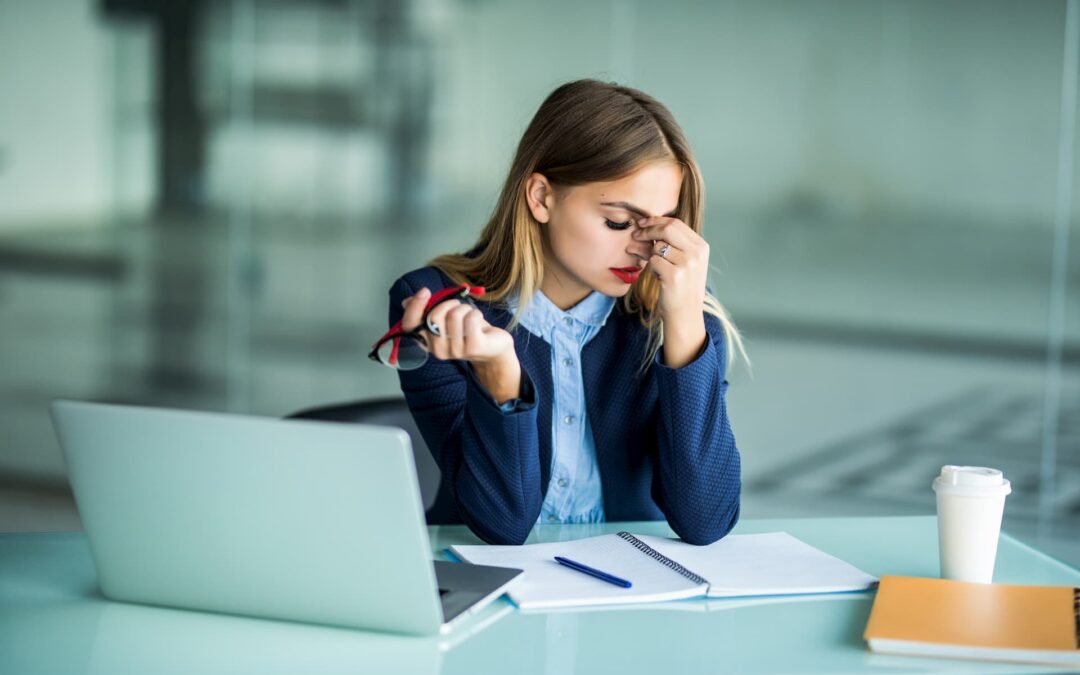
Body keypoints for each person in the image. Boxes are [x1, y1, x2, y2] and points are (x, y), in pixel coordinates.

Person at [372, 79, 746, 546]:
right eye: (618, 222)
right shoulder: (437, 305)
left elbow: (706, 520)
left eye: (659, 224)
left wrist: (687, 325)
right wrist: (500, 377)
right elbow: (502, 525)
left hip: (627, 591)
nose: (643, 249)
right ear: (542, 197)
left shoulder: (676, 303)